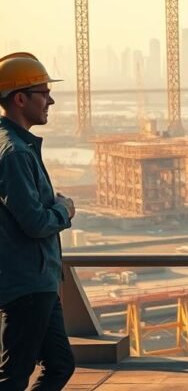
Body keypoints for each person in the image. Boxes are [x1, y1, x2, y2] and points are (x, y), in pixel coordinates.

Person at [0, 52, 76, 390]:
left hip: (37, 280)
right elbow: (34, 222)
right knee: (14, 375)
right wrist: (64, 210)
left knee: (59, 365)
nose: (51, 100)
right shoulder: (15, 153)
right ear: (20, 99)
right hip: (28, 283)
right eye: (43, 93)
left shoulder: (19, 147)